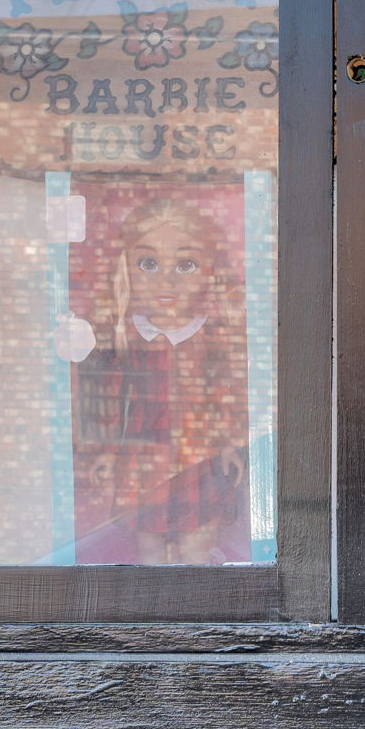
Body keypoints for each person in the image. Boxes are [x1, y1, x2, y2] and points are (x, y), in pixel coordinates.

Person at [73, 195, 250, 564]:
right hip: (143, 459)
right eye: (148, 263)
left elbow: (225, 394)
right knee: (149, 543)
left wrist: (229, 443)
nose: (166, 279)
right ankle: (154, 613)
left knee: (196, 541)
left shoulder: (211, 336)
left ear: (210, 272)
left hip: (197, 457)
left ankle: (200, 609)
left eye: (186, 264)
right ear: (127, 270)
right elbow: (110, 397)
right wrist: (108, 450)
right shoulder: (129, 337)